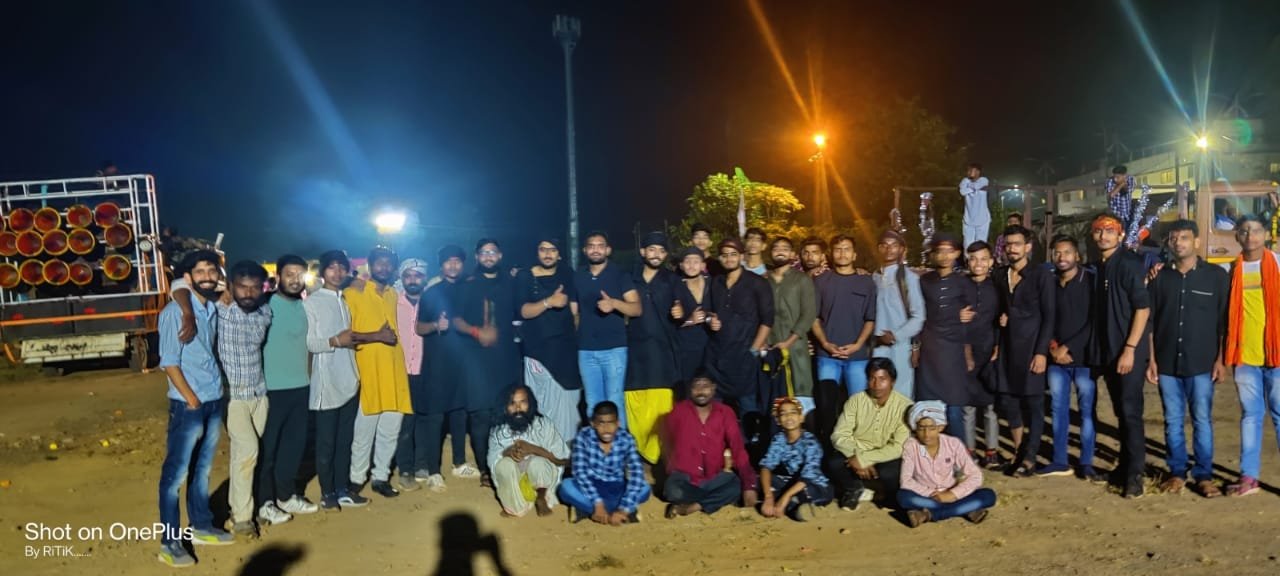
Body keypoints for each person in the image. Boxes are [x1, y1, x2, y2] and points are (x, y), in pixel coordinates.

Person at [156, 251, 234, 567]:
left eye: (211, 270)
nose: (206, 276)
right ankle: (169, 542)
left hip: (213, 400)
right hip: (189, 405)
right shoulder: (174, 313)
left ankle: (201, 526)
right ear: (188, 278)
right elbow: (169, 362)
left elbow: (223, 288)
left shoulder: (211, 308)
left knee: (202, 470)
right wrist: (191, 399)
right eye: (199, 271)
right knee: (175, 475)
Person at [1147, 220, 1228, 497]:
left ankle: (1204, 476)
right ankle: (1177, 473)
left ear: (1196, 241)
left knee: (1202, 419)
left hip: (1202, 363)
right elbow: (1151, 322)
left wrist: (1220, 360)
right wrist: (1152, 360)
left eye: (1184, 237)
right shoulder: (1160, 278)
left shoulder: (1215, 277)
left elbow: (1223, 322)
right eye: (1173, 238)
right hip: (1167, 363)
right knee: (1172, 420)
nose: (1178, 242)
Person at [1087, 214, 1151, 498]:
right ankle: (1124, 467)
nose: (1104, 236)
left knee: (1130, 412)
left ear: (1121, 234)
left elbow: (1142, 309)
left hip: (1127, 351)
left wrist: (1130, 349)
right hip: (1109, 351)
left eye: (1109, 231)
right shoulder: (1099, 266)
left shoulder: (1128, 264)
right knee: (1120, 411)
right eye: (1098, 231)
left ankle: (1135, 475)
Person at [303, 251, 369, 510]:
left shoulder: (345, 300)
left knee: (344, 442)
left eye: (342, 267)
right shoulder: (312, 303)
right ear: (322, 272)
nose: (338, 272)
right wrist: (335, 341)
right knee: (326, 443)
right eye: (332, 267)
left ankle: (342, 489)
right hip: (326, 383)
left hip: (349, 380)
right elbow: (309, 343)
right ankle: (327, 492)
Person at [345, 247, 413, 498]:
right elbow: (345, 335)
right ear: (370, 266)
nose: (384, 268)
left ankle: (381, 477)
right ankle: (356, 478)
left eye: (388, 264)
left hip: (395, 373)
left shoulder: (394, 294)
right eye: (379, 263)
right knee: (363, 432)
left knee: (390, 431)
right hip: (368, 372)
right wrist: (376, 336)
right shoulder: (354, 293)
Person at [456, 239, 524, 489]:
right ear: (477, 257)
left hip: (507, 357)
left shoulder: (511, 282)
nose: (488, 256)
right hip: (477, 358)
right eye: (483, 252)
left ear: (500, 255)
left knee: (508, 413)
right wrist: (476, 332)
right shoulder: (467, 284)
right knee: (481, 415)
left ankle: (506, 464)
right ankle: (485, 468)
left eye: (492, 252)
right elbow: (455, 320)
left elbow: (521, 311)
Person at [257, 255, 320, 522]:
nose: (294, 280)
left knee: (293, 448)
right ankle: (264, 502)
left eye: (299, 275)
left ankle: (286, 496)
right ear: (278, 277)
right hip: (271, 389)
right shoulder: (264, 305)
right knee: (268, 450)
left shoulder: (305, 306)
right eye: (289, 274)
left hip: (301, 387)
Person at [1223, 215, 1280, 497]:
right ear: (1237, 236)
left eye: (1256, 230)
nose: (1250, 236)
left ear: (1266, 235)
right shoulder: (1231, 270)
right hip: (1244, 356)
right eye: (1244, 231)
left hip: (1277, 356)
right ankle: (1249, 477)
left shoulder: (1278, 264)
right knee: (1250, 416)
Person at [993, 224, 1055, 478]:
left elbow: (1049, 316)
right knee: (1009, 402)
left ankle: (1030, 458)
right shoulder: (1000, 275)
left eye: (1017, 244)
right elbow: (998, 306)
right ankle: (1019, 452)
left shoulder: (1041, 275)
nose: (1012, 249)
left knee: (1034, 404)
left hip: (1032, 348)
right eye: (1008, 244)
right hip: (1008, 349)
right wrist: (1001, 318)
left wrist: (1041, 352)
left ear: (1028, 247)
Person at [1040, 235, 1100, 480]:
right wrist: (1054, 347)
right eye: (1057, 252)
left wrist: (1069, 348)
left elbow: (1094, 320)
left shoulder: (1091, 281)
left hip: (1084, 359)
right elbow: (1045, 317)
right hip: (1056, 360)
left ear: (1077, 255)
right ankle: (1059, 460)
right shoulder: (1050, 282)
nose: (1061, 257)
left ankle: (1086, 462)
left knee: (1086, 410)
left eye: (1066, 252)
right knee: (1058, 409)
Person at [415, 246, 474, 491]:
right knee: (436, 416)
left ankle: (459, 463)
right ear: (441, 266)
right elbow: (419, 328)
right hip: (437, 365)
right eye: (448, 262)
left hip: (462, 363)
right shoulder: (431, 293)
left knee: (459, 413)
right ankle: (433, 472)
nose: (453, 265)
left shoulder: (470, 290)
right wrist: (435, 326)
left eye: (457, 261)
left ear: (463, 264)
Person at [663, 374, 759, 517]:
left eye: (705, 386)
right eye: (697, 386)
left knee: (738, 485)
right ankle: (716, 499)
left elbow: (737, 448)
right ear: (690, 389)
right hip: (685, 477)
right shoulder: (679, 412)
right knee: (672, 490)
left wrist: (748, 485)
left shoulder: (725, 412)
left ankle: (692, 507)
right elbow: (666, 439)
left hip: (714, 477)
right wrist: (672, 466)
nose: (701, 391)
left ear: (714, 388)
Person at [705, 238, 774, 432]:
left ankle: (749, 448)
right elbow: (708, 311)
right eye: (724, 255)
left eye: (733, 254)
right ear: (720, 258)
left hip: (745, 357)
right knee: (715, 413)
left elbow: (767, 320)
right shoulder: (716, 282)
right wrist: (710, 320)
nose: (729, 259)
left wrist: (753, 350)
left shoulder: (757, 283)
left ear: (742, 256)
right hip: (718, 357)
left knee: (748, 411)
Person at [825, 357, 912, 511]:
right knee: (833, 462)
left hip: (885, 455)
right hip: (856, 452)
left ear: (892, 381)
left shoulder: (905, 406)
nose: (876, 385)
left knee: (891, 471)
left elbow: (898, 447)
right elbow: (839, 435)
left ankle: (889, 495)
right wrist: (857, 456)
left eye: (882, 379)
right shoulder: (856, 400)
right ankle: (854, 489)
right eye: (872, 378)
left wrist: (865, 459)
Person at [574, 231, 642, 426]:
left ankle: (619, 444)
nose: (596, 250)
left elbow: (637, 308)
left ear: (608, 250)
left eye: (600, 245)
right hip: (586, 350)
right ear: (585, 250)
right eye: (591, 246)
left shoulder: (620, 274)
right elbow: (574, 312)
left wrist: (614, 303)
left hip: (614, 349)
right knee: (592, 404)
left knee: (615, 402)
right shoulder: (578, 276)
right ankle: (596, 444)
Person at [517, 238, 583, 442]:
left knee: (569, 406)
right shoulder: (524, 276)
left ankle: (564, 452)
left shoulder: (567, 274)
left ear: (559, 254)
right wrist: (548, 302)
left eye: (552, 250)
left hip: (566, 352)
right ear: (537, 252)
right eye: (543, 249)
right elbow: (523, 311)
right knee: (540, 406)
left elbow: (575, 311)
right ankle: (543, 450)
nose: (547, 254)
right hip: (538, 353)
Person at [625, 232, 681, 465]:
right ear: (642, 252)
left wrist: (680, 311)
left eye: (661, 250)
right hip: (634, 352)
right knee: (635, 403)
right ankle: (640, 456)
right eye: (651, 249)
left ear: (665, 255)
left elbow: (683, 306)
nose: (656, 254)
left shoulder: (672, 280)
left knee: (662, 406)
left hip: (663, 353)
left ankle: (660, 460)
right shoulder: (629, 278)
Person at [915, 233, 977, 440]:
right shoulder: (924, 281)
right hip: (930, 349)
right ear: (933, 254)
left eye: (949, 251)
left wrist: (968, 353)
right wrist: (916, 347)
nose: (944, 256)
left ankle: (959, 455)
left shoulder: (964, 283)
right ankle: (931, 455)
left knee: (954, 408)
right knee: (929, 410)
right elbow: (920, 314)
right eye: (939, 251)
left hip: (953, 351)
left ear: (957, 253)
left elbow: (970, 317)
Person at [898, 401, 997, 528]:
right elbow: (906, 481)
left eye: (932, 428)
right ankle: (965, 509)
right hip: (928, 496)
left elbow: (976, 475)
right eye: (921, 428)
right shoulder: (911, 446)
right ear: (915, 428)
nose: (926, 434)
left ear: (940, 427)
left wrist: (952, 494)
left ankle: (929, 515)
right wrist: (933, 494)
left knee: (989, 495)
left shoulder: (953, 443)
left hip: (952, 492)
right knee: (904, 497)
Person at [559, 401, 651, 525]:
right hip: (590, 485)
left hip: (616, 486)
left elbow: (637, 474)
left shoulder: (627, 439)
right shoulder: (583, 436)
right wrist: (598, 503)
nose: (606, 429)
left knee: (645, 488)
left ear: (618, 423)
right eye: (601, 423)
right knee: (566, 487)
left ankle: (587, 510)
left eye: (611, 423)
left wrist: (623, 509)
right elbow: (580, 473)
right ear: (593, 424)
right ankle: (623, 512)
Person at [487, 385, 570, 517]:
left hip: (540, 483)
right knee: (504, 465)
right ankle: (515, 506)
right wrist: (507, 452)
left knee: (538, 463)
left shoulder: (543, 425)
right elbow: (492, 462)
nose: (518, 408)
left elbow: (562, 459)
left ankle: (541, 498)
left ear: (530, 404)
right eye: (512, 403)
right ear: (505, 407)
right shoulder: (498, 430)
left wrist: (533, 449)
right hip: (514, 483)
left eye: (523, 402)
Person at [765, 237, 818, 412]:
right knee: (773, 396)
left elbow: (808, 314)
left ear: (792, 254)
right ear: (770, 253)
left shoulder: (802, 280)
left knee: (801, 394)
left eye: (785, 248)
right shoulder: (763, 280)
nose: (780, 251)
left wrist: (789, 341)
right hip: (770, 346)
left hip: (796, 346)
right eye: (776, 248)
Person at [962, 241, 1002, 469]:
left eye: (983, 259)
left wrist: (998, 346)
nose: (978, 263)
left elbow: (1002, 319)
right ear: (968, 261)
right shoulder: (960, 286)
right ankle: (969, 451)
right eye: (973, 259)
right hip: (964, 351)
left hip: (989, 352)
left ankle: (991, 451)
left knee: (990, 406)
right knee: (968, 406)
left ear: (991, 261)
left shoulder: (997, 286)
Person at [758, 397, 832, 522]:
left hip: (814, 485)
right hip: (793, 482)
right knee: (761, 480)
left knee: (805, 492)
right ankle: (790, 504)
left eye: (793, 412)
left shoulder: (810, 441)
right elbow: (766, 466)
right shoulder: (779, 439)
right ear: (777, 420)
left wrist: (785, 497)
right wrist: (768, 496)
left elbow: (808, 476)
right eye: (783, 414)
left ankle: (791, 505)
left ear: (801, 417)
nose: (789, 417)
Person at [871, 230, 924, 399]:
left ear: (901, 249)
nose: (889, 249)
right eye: (884, 245)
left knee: (901, 393)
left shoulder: (908, 278)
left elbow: (919, 316)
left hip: (901, 346)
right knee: (878, 394)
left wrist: (896, 335)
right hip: (876, 346)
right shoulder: (874, 277)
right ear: (878, 249)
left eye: (894, 245)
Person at [393, 258, 429, 492]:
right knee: (405, 422)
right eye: (408, 275)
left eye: (417, 275)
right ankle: (405, 469)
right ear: (402, 278)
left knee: (423, 418)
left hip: (426, 370)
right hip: (401, 370)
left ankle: (421, 464)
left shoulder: (432, 302)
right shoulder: (393, 302)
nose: (412, 279)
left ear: (425, 278)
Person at [671, 247, 712, 384]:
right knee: (689, 385)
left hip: (712, 344)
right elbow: (673, 322)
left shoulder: (713, 283)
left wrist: (712, 318)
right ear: (681, 265)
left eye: (696, 261)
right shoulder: (675, 285)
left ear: (703, 265)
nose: (691, 265)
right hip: (687, 347)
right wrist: (689, 320)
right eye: (687, 261)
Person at [959, 163, 991, 250]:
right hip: (968, 219)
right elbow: (962, 192)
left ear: (978, 171)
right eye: (968, 170)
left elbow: (976, 186)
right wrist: (974, 188)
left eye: (971, 170)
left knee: (981, 244)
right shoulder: (965, 180)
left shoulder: (984, 180)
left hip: (983, 219)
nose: (969, 172)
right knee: (967, 245)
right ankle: (968, 259)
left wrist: (969, 188)